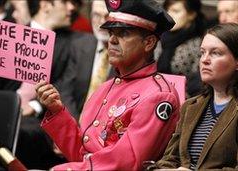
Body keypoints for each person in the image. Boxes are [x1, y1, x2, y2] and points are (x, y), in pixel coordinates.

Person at [35, 0, 180, 170]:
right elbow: (82, 153)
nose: (112, 40)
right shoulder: (106, 87)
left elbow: (127, 162)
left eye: (124, 33)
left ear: (148, 43)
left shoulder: (159, 96)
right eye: (111, 32)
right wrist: (57, 111)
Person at [152, 23, 238, 170]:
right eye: (202, 52)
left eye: (215, 53)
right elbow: (170, 158)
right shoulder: (190, 106)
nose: (204, 60)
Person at [14, 0, 83, 169]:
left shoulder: (72, 43)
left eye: (73, 3)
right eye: (65, 2)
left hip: (39, 116)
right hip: (8, 107)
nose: (72, 8)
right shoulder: (12, 34)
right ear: (45, 5)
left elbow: (64, 85)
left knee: (26, 133)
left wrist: (35, 106)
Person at [60, 0, 113, 119]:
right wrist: (75, 125)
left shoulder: (129, 54)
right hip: (74, 122)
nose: (101, 22)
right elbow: (65, 90)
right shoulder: (78, 45)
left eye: (107, 16)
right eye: (96, 15)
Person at [157, 0, 206, 98]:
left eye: (176, 11)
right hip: (154, 93)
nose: (169, 15)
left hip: (184, 99)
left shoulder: (198, 45)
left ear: (191, 14)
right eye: (167, 10)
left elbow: (199, 82)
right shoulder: (159, 38)